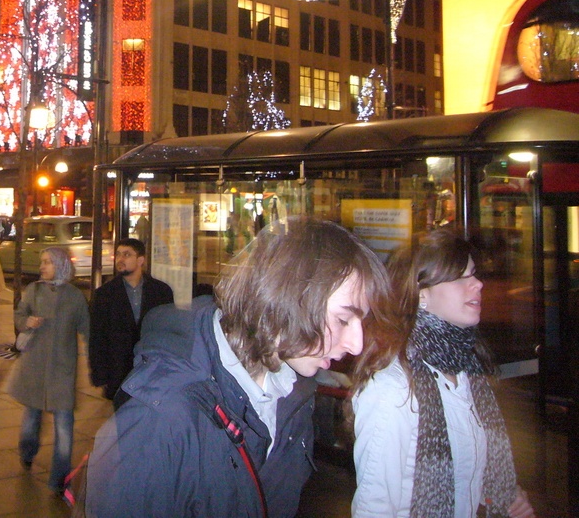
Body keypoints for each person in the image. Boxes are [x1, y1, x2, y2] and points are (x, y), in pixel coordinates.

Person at [84, 217, 392, 518]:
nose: (356, 344)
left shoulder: (291, 395)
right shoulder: (161, 418)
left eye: (361, 322)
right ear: (283, 298)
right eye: (342, 319)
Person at [351, 229, 535, 518]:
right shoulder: (393, 389)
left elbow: (468, 472)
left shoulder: (466, 371)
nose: (478, 284)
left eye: (474, 274)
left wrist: (505, 493)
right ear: (422, 294)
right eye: (461, 277)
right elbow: (374, 507)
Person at [7, 246, 90, 494]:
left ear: (61, 265)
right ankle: (27, 451)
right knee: (31, 418)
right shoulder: (34, 291)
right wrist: (26, 322)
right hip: (34, 366)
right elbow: (19, 315)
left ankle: (59, 478)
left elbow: (87, 330)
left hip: (62, 370)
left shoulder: (75, 297)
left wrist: (97, 363)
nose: (42, 267)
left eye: (48, 262)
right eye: (42, 262)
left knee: (64, 427)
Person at [88, 237, 173, 407]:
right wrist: (100, 374)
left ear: (140, 260)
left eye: (127, 255)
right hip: (119, 370)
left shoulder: (161, 291)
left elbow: (168, 332)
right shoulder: (105, 294)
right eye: (118, 254)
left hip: (152, 370)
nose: (120, 259)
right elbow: (97, 336)